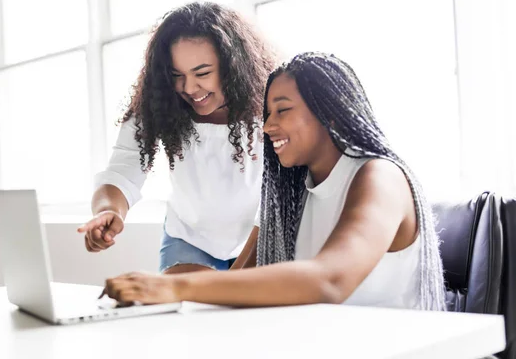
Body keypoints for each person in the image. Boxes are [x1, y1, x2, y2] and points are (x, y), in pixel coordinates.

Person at [100, 52, 447, 311]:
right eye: (267, 114)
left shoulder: (379, 176)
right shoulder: (294, 193)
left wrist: (179, 288)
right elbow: (240, 283)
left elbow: (330, 280)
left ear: (329, 112)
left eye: (282, 110)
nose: (267, 127)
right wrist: (165, 283)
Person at [77, 1, 276, 274]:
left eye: (202, 73)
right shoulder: (158, 103)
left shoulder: (271, 106)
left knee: (242, 311)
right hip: (189, 239)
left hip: (261, 236)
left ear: (234, 66)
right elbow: (123, 169)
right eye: (176, 75)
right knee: (187, 312)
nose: (189, 88)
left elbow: (277, 202)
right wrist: (108, 211)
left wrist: (236, 277)